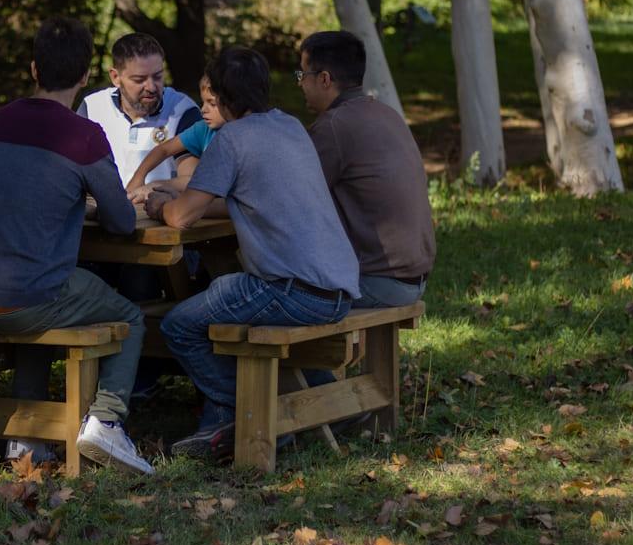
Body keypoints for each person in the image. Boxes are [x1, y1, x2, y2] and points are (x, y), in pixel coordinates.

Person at [149, 46, 360, 461]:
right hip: (338, 288)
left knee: (177, 325)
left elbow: (181, 217)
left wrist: (157, 204)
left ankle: (253, 417)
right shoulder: (290, 126)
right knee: (222, 293)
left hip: (290, 290)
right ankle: (320, 400)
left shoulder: (231, 140)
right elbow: (230, 196)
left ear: (224, 98)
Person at [0, 17, 154, 475]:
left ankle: (25, 438)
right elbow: (122, 220)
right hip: (34, 294)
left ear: (34, 69)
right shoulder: (84, 135)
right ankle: (107, 421)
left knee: (45, 300)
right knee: (130, 315)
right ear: (85, 77)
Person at [298, 31, 435, 309]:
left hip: (377, 282)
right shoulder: (385, 113)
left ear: (324, 79)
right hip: (414, 277)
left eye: (302, 75)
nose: (300, 84)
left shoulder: (333, 126)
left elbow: (292, 199)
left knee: (261, 291)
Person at [77, 33, 200, 192]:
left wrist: (155, 188)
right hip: (100, 212)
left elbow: (193, 181)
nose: (151, 87)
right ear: (115, 77)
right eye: (139, 79)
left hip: (158, 212)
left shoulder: (183, 111)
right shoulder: (92, 107)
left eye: (157, 77)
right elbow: (74, 171)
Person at [125, 68, 226, 201]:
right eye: (203, 102)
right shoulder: (203, 129)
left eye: (212, 104)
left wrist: (158, 186)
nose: (203, 110)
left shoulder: (244, 138)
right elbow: (164, 149)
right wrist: (139, 177)